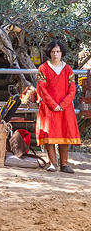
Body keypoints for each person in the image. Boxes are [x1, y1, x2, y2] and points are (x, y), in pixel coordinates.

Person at [35, 40, 81, 173]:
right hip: (49, 107)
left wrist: (62, 105)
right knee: (50, 134)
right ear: (49, 53)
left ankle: (65, 164)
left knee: (64, 134)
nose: (55, 54)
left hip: (65, 108)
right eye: (53, 52)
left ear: (62, 53)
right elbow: (41, 89)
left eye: (58, 51)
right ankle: (52, 163)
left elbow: (72, 90)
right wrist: (53, 105)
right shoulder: (43, 68)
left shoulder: (68, 69)